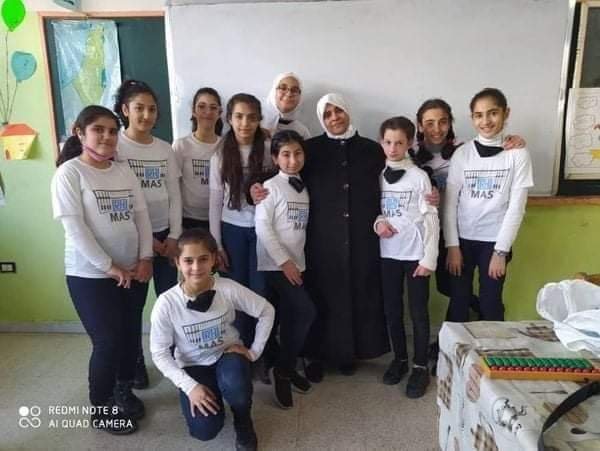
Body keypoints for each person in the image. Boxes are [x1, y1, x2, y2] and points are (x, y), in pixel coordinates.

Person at [51, 105, 153, 434]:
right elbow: (75, 228)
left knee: (129, 335)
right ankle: (102, 407)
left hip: (133, 272)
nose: (107, 136)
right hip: (90, 276)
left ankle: (123, 389)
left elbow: (141, 217)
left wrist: (146, 258)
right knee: (107, 341)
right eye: (98, 129)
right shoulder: (69, 173)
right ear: (80, 133)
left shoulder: (123, 171)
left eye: (112, 130)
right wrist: (109, 266)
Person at [150, 228, 274, 451]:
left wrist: (254, 351)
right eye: (188, 261)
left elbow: (267, 310)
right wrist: (190, 387)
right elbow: (159, 353)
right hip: (193, 366)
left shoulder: (227, 288)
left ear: (214, 259)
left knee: (235, 381)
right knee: (204, 431)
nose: (196, 267)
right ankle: (212, 395)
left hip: (227, 356)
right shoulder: (166, 303)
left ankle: (242, 419)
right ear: (177, 262)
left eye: (203, 259)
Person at [113, 79, 182, 388]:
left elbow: (174, 196)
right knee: (132, 308)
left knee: (171, 302)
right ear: (125, 110)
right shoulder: (115, 147)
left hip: (167, 239)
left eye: (152, 109)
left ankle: (176, 356)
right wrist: (147, 242)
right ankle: (135, 362)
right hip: (133, 240)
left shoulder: (165, 149)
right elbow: (118, 197)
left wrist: (174, 237)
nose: (146, 115)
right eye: (139, 108)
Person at [444, 87, 533, 322]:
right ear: (472, 118)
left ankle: (492, 346)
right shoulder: (462, 154)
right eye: (478, 115)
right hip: (463, 240)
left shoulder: (518, 154)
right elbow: (450, 204)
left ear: (506, 113)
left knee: (490, 302)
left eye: (492, 113)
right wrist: (452, 246)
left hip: (495, 241)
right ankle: (454, 345)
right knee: (459, 300)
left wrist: (500, 251)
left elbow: (516, 207)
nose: (485, 121)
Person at [374, 117, 439, 398]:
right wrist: (378, 223)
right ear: (381, 142)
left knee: (418, 312)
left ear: (409, 143)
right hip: (388, 254)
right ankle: (400, 358)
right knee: (392, 310)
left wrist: (429, 258)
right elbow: (375, 210)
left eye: (399, 142)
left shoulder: (419, 176)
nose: (393, 148)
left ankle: (420, 366)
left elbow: (431, 218)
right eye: (388, 142)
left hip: (415, 255)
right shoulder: (377, 174)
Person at [254, 130, 316, 409]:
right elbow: (262, 227)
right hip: (275, 265)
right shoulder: (270, 187)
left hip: (297, 262)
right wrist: (284, 262)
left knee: (292, 316)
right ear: (275, 157)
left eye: (298, 153)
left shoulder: (303, 187)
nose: (293, 160)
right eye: (286, 154)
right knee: (306, 311)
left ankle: (287, 368)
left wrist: (295, 262)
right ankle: (282, 369)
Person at [209, 93, 272, 345]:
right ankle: (239, 347)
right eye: (239, 116)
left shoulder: (268, 150)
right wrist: (217, 245)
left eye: (251, 117)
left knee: (261, 290)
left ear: (259, 120)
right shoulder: (219, 154)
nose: (245, 123)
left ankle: (261, 349)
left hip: (262, 229)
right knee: (236, 291)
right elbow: (215, 202)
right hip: (232, 229)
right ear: (228, 119)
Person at [173, 87, 223, 230]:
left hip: (219, 218)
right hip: (188, 220)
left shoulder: (225, 146)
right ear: (193, 111)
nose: (208, 112)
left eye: (213, 108)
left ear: (219, 113)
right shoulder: (181, 145)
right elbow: (173, 187)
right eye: (202, 106)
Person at [262, 72, 310, 139]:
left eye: (294, 90)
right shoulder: (256, 123)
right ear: (274, 92)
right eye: (283, 88)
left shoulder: (302, 132)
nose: (289, 93)